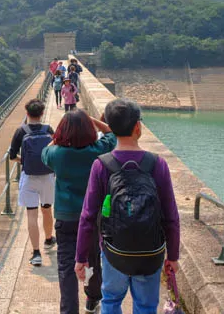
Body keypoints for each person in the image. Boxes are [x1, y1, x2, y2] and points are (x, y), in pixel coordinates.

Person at [75, 99, 180, 314]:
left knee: (111, 301)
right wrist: (173, 255)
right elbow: (171, 216)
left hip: (114, 251)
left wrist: (81, 257)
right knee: (146, 305)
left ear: (111, 129)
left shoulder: (101, 165)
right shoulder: (157, 164)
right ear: (138, 128)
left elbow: (88, 216)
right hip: (151, 253)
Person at [42, 110, 117, 314]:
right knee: (93, 258)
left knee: (66, 266)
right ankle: (92, 299)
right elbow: (113, 134)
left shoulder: (56, 154)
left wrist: (58, 136)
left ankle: (69, 310)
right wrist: (90, 119)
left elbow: (44, 153)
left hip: (66, 217)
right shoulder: (97, 150)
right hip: (92, 218)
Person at [8, 98, 56, 267]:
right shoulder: (48, 129)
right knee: (47, 209)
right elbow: (56, 150)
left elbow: (12, 156)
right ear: (42, 113)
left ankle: (36, 253)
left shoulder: (20, 131)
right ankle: (49, 239)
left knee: (31, 214)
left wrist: (25, 161)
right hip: (48, 177)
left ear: (27, 113)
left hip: (29, 178)